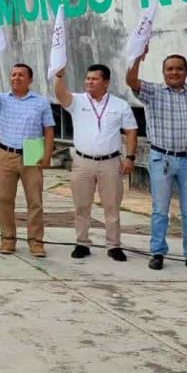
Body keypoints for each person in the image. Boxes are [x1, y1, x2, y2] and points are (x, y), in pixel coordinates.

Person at [127, 46, 187, 272]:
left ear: (186, 72)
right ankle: (157, 252)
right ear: (163, 72)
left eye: (179, 69)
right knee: (160, 209)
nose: (174, 73)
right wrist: (138, 57)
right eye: (169, 69)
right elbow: (131, 81)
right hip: (162, 159)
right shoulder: (154, 92)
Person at [53, 65, 138, 261]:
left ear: (106, 82)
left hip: (110, 162)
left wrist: (130, 157)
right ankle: (82, 242)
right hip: (83, 162)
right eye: (87, 78)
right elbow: (60, 94)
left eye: (94, 79)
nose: (89, 82)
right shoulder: (77, 101)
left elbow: (131, 131)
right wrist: (59, 75)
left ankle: (114, 245)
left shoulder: (120, 105)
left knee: (112, 206)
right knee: (82, 205)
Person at [0, 62, 54, 257]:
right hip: (6, 153)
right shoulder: (3, 99)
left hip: (32, 151)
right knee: (5, 199)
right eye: (13, 74)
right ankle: (8, 240)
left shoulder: (40, 101)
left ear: (30, 79)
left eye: (21, 75)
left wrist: (46, 155)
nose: (16, 78)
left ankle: (36, 242)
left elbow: (48, 129)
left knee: (35, 200)